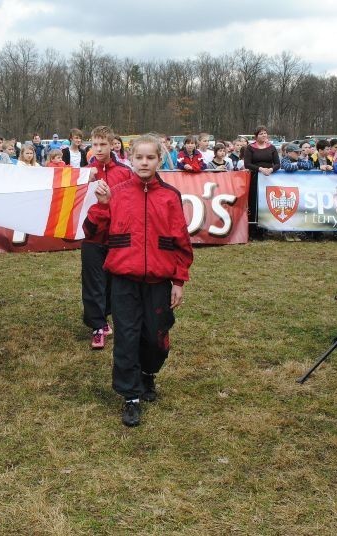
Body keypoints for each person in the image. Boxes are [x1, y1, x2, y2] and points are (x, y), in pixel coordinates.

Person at [83, 134, 193, 427]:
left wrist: (179, 280)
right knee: (127, 338)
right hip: (123, 281)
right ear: (130, 159)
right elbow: (93, 233)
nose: (144, 163)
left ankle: (148, 375)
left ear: (159, 160)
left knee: (155, 338)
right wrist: (103, 206)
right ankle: (130, 396)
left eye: (150, 158)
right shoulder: (115, 193)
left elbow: (181, 240)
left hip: (158, 282)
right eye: (139, 158)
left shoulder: (170, 196)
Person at [82, 126, 132, 350]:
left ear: (113, 145)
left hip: (115, 237)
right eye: (95, 145)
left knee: (113, 282)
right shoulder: (84, 172)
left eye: (103, 144)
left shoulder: (124, 171)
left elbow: (128, 204)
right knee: (93, 281)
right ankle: (98, 325)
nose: (99, 149)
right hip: (92, 236)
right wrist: (85, 176)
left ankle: (107, 316)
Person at [244, 126, 280, 237]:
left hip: (269, 179)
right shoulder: (250, 148)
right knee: (254, 203)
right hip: (255, 178)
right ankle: (252, 230)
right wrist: (260, 169)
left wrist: (271, 169)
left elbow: (278, 164)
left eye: (265, 133)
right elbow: (247, 164)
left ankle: (264, 230)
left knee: (266, 203)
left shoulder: (272, 148)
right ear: (256, 136)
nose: (264, 135)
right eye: (261, 134)